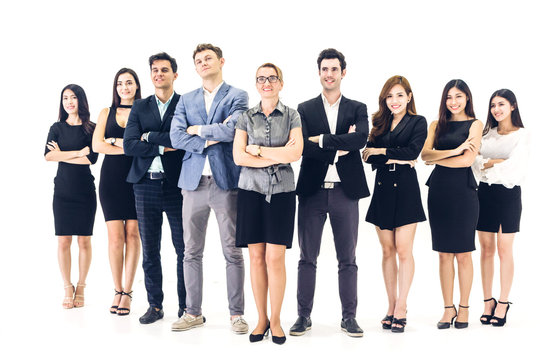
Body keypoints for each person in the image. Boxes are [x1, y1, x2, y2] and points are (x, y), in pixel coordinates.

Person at [169, 44, 249, 333]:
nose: (203, 63)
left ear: (221, 61)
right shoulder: (186, 99)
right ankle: (193, 313)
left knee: (233, 251)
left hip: (225, 182)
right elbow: (177, 137)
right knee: (190, 252)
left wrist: (198, 130)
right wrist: (211, 136)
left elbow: (233, 130)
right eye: (199, 60)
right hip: (192, 184)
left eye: (208, 59)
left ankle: (236, 314)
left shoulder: (237, 95)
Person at [291, 48, 369, 338]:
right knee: (306, 257)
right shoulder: (304, 108)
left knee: (347, 258)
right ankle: (303, 316)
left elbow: (360, 139)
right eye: (324, 69)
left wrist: (323, 139)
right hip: (311, 191)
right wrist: (341, 142)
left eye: (334, 69)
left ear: (343, 73)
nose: (329, 74)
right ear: (319, 72)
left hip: (345, 193)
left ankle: (349, 317)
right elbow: (302, 147)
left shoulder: (358, 108)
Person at [233, 63, 303, 344]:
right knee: (256, 257)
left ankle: (275, 319)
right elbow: (239, 157)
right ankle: (260, 318)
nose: (266, 83)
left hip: (282, 193)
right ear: (256, 83)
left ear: (281, 83)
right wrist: (278, 154)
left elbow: (295, 153)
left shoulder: (292, 115)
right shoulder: (245, 117)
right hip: (250, 192)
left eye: (271, 78)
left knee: (276, 258)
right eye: (261, 79)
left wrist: (259, 150)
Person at [123, 53, 185, 324]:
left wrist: (149, 136)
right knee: (150, 249)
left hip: (178, 185)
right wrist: (161, 145)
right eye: (154, 70)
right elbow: (129, 145)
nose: (159, 74)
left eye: (164, 70)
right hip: (145, 184)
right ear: (151, 75)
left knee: (185, 249)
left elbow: (183, 139)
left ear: (175, 74)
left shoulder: (186, 104)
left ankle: (188, 307)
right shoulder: (139, 106)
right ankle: (155, 305)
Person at [362, 75, 427, 332]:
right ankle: (390, 306)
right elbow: (367, 155)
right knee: (387, 250)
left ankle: (402, 306)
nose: (394, 100)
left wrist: (383, 153)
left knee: (403, 250)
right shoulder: (379, 122)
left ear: (409, 97)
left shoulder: (417, 122)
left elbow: (413, 152)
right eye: (389, 96)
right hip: (382, 189)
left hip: (406, 189)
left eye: (399, 95)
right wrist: (390, 157)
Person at [421, 79, 483, 329]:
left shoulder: (476, 124)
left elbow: (467, 161)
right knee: (444, 254)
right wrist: (454, 150)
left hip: (464, 193)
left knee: (464, 253)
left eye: (458, 96)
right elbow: (425, 155)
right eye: (449, 97)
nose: (453, 102)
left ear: (467, 98)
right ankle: (448, 308)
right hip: (439, 191)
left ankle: (465, 306)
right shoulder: (436, 124)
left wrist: (439, 157)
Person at [472, 89, 528, 327]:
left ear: (513, 106)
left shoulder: (521, 135)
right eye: (493, 105)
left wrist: (488, 163)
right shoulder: (487, 134)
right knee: (486, 250)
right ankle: (488, 302)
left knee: (504, 249)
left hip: (508, 194)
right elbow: (474, 162)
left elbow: (514, 168)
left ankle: (503, 302)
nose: (496, 109)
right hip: (483, 194)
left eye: (502, 104)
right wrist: (495, 161)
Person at [92, 68, 142, 316]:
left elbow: (148, 144)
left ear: (136, 86)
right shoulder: (106, 112)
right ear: (116, 87)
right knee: (114, 237)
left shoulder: (144, 110)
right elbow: (97, 144)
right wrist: (129, 146)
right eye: (120, 83)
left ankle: (128, 292)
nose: (125, 87)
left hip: (137, 178)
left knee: (133, 234)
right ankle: (117, 289)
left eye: (129, 83)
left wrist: (116, 142)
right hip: (111, 180)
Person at [45, 84, 98, 309]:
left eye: (73, 97)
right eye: (65, 98)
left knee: (84, 240)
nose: (69, 102)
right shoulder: (56, 127)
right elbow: (48, 156)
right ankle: (67, 286)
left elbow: (91, 159)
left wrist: (62, 154)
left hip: (85, 190)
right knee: (63, 240)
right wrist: (77, 152)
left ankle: (82, 286)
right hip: (63, 192)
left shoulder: (92, 128)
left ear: (81, 100)